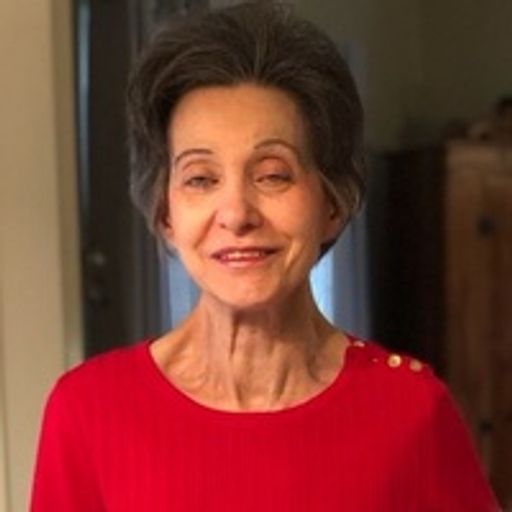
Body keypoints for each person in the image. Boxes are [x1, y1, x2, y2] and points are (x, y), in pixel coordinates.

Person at [30, 2, 499, 510]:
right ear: (165, 214)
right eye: (201, 179)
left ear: (332, 204)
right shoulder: (87, 411)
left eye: (273, 174)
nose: (236, 213)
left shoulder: (412, 409)